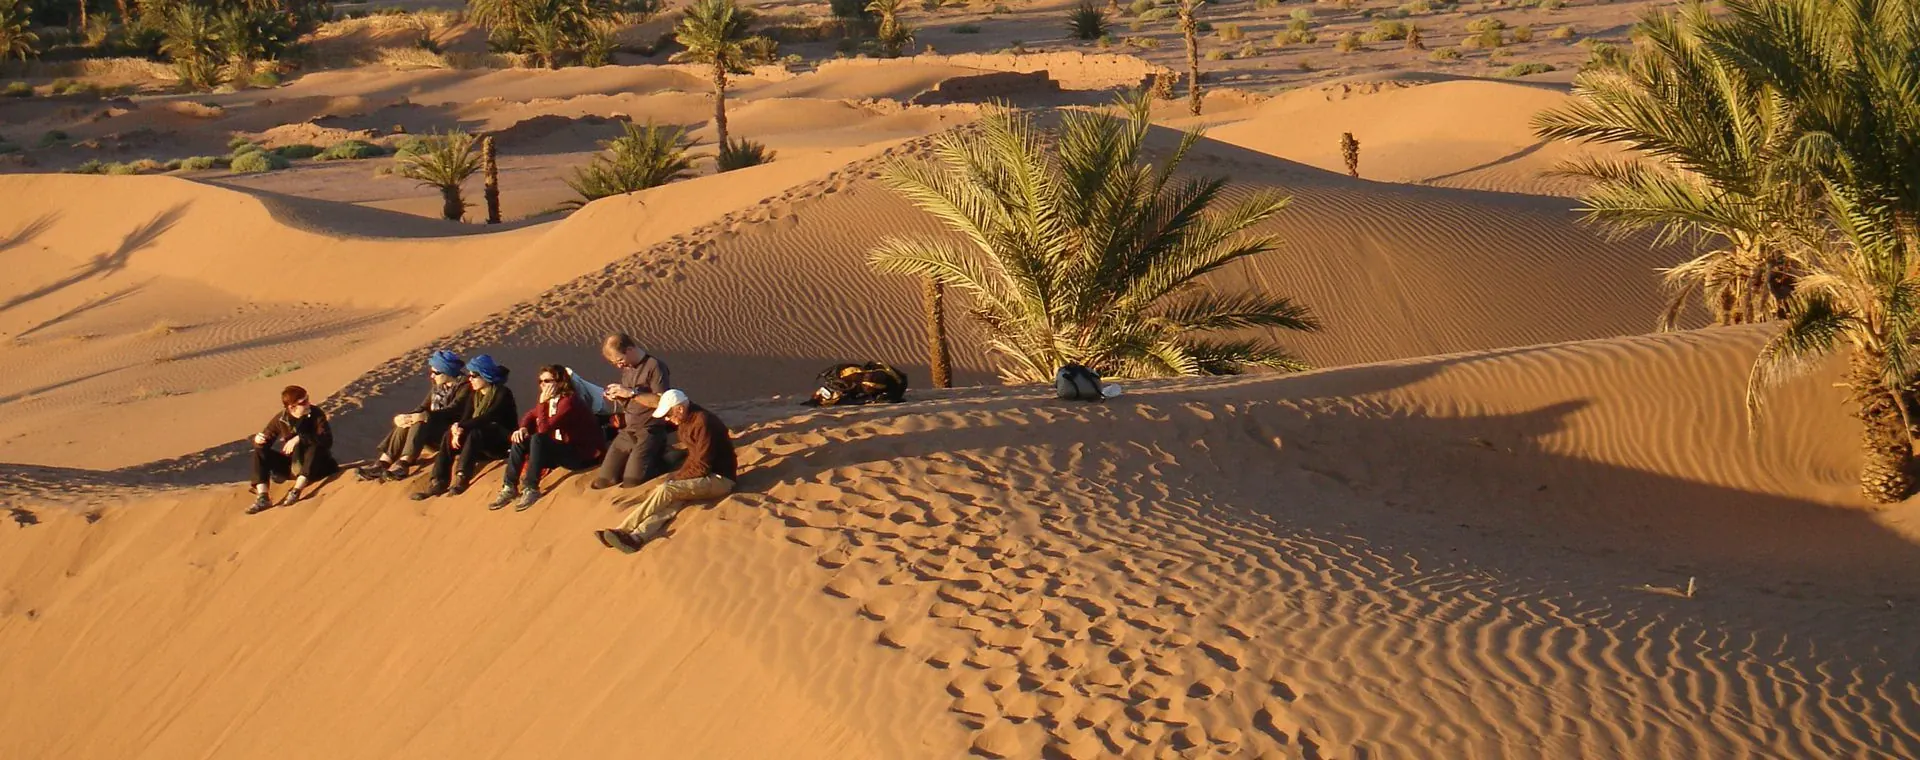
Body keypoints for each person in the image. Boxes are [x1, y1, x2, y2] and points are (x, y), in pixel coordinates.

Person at [595, 389, 736, 553]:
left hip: (720, 480)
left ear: (680, 409)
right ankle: (637, 537)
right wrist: (679, 477)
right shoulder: (687, 420)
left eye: (669, 414)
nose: (668, 419)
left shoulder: (703, 423)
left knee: (666, 490)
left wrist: (676, 479)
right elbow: (694, 458)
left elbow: (702, 465)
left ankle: (623, 529)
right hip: (705, 477)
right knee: (672, 502)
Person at [490, 364, 607, 511]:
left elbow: (545, 429)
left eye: (547, 381)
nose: (543, 385)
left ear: (560, 382)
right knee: (520, 439)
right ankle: (509, 487)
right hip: (563, 451)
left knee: (538, 438)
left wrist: (542, 403)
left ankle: (531, 488)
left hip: (581, 456)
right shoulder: (552, 400)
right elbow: (530, 415)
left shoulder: (569, 402)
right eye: (541, 381)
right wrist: (523, 428)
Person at [413, 354, 518, 500]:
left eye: (474, 375)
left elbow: (489, 417)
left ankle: (462, 477)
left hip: (500, 445)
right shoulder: (474, 394)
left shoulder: (503, 393)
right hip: (478, 445)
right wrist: (456, 429)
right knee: (449, 433)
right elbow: (467, 416)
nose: (470, 379)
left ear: (485, 375)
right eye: (469, 375)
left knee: (476, 431)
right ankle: (438, 481)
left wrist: (461, 426)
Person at [357, 350, 470, 482]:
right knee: (408, 422)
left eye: (436, 373)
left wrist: (424, 416)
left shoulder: (465, 387)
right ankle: (383, 463)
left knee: (420, 422)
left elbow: (452, 410)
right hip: (431, 433)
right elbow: (422, 407)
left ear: (448, 372)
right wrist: (405, 417)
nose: (432, 376)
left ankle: (404, 464)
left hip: (450, 437)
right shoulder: (439, 386)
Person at [592, 333, 674, 489]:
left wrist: (631, 393)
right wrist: (618, 396)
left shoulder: (655, 366)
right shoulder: (628, 368)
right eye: (615, 363)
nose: (619, 366)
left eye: (620, 360)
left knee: (632, 481)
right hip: (629, 431)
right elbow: (631, 399)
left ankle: (666, 458)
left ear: (629, 350)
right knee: (604, 480)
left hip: (650, 430)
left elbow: (662, 401)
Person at [248, 385, 339, 514]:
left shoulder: (316, 414)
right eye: (304, 402)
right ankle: (263, 497)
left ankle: (296, 491)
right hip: (293, 465)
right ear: (292, 407)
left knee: (315, 445)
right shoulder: (281, 419)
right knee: (260, 452)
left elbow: (326, 441)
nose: (309, 403)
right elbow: (265, 442)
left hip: (318, 466)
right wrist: (258, 441)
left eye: (307, 398)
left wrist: (300, 438)